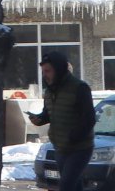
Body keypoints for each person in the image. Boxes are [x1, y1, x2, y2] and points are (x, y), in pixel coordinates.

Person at [29, 52, 96, 191]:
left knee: (66, 186)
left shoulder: (80, 88)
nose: (45, 75)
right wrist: (39, 119)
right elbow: (48, 114)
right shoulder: (49, 91)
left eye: (48, 71)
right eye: (43, 71)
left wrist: (74, 137)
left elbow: (89, 119)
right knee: (74, 186)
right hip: (60, 147)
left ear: (58, 69)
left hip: (79, 148)